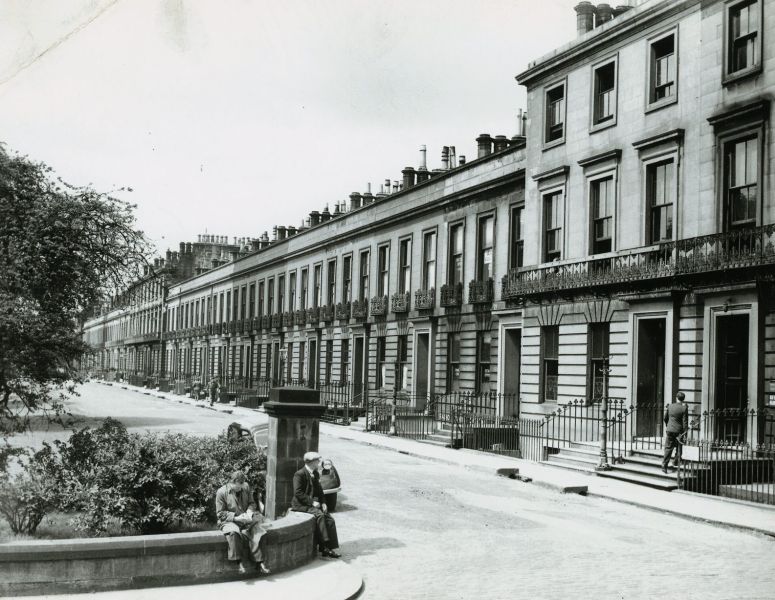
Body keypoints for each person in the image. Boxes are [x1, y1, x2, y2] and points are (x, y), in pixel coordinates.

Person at [215, 470, 271, 575]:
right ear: (232, 482)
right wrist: (236, 518)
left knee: (259, 532)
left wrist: (249, 512)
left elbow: (252, 503)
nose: (240, 488)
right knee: (233, 533)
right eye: (238, 486)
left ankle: (260, 563)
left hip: (246, 518)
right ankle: (239, 563)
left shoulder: (245, 487)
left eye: (242, 485)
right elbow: (220, 513)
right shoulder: (221, 492)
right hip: (229, 521)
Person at [290, 451, 341, 558]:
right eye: (317, 461)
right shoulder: (299, 474)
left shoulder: (315, 473)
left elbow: (319, 490)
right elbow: (298, 492)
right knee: (320, 515)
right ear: (311, 462)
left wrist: (323, 503)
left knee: (330, 520)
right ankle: (325, 546)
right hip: (300, 505)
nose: (319, 463)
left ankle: (329, 547)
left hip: (311, 505)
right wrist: (312, 502)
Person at [662, 391, 689, 473]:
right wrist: (685, 433)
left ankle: (664, 465)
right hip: (679, 431)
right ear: (683, 399)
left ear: (676, 398)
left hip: (670, 430)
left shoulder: (670, 406)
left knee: (668, 448)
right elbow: (685, 422)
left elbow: (665, 418)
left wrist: (668, 425)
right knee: (679, 447)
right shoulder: (684, 408)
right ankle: (676, 461)